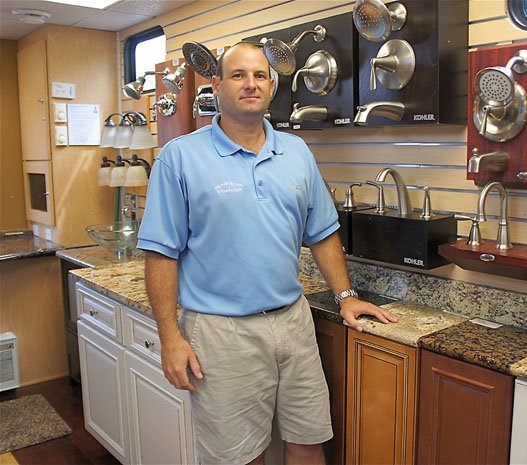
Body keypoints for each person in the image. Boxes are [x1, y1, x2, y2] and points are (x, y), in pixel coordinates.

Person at [137, 41, 398, 465]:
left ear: (272, 86)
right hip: (221, 334)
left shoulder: (295, 151)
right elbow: (160, 254)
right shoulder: (180, 158)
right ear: (218, 85)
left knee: (309, 441)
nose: (250, 84)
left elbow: (323, 232)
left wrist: (346, 297)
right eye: (238, 75)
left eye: (260, 75)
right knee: (240, 457)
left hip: (293, 322)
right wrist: (170, 337)